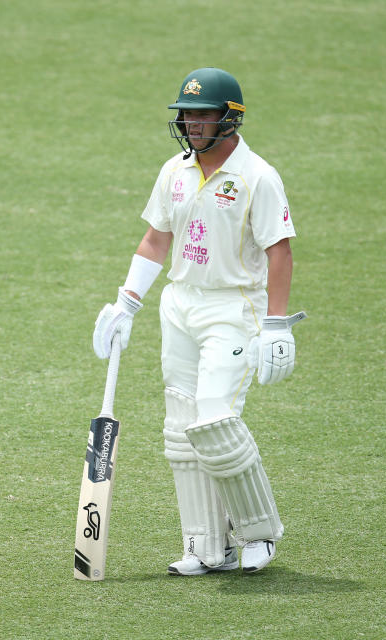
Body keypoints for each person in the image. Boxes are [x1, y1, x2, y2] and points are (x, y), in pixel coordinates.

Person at [92, 67, 307, 576]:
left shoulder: (258, 177)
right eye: (185, 114)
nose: (190, 123)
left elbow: (279, 251)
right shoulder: (175, 171)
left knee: (214, 419)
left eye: (202, 114)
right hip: (180, 304)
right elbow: (155, 239)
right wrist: (126, 302)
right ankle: (207, 546)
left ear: (229, 118)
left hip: (233, 308)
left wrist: (276, 324)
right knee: (181, 427)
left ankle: (259, 533)